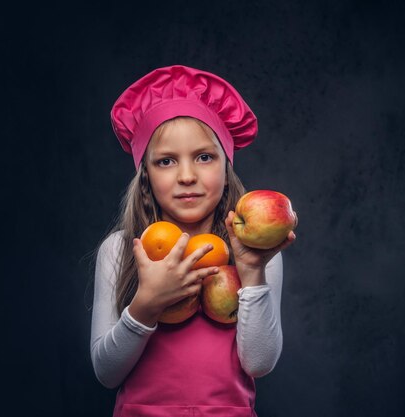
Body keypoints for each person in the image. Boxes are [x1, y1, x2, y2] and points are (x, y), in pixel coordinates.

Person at [90, 65, 296, 417]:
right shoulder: (123, 249)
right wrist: (147, 304)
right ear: (146, 178)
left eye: (204, 157)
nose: (187, 176)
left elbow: (259, 363)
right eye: (167, 161)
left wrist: (251, 273)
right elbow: (106, 373)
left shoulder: (255, 254)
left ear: (226, 168)